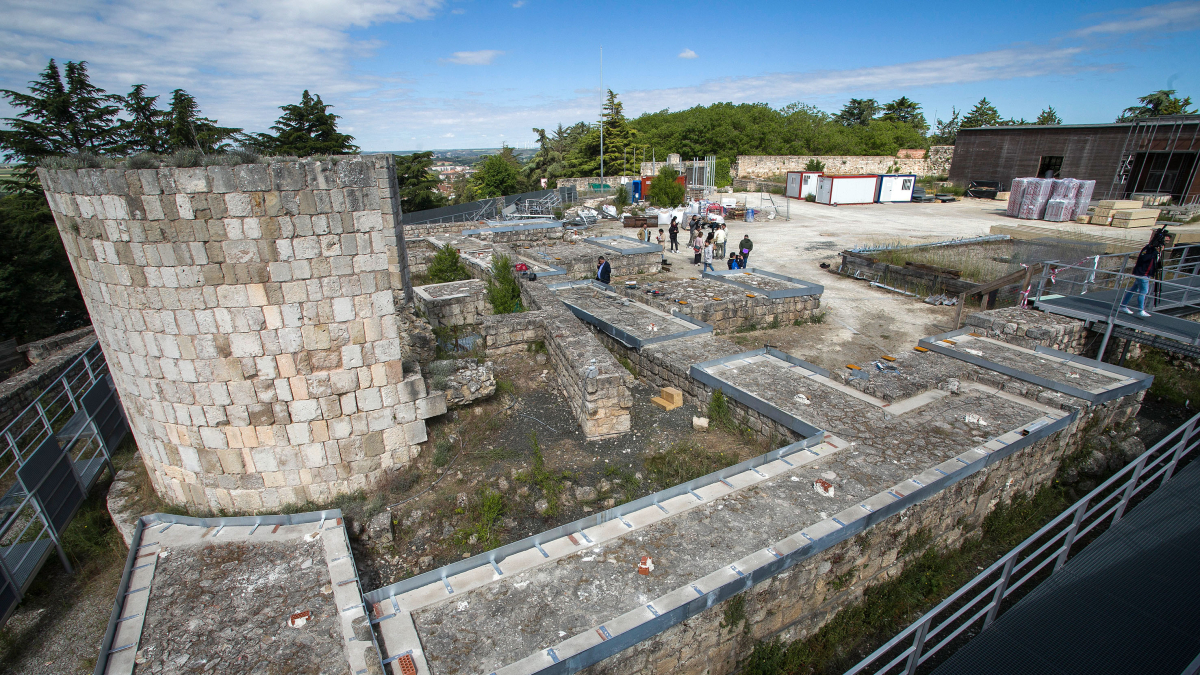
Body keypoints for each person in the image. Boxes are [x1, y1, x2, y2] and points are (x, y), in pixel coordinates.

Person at [1119, 234, 1166, 317]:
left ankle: (1123, 305)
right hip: (1142, 274)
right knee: (1144, 292)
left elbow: (1156, 262)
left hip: (1144, 273)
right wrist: (1155, 253)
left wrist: (1158, 253)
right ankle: (1140, 310)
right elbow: (1143, 258)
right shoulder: (1149, 249)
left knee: (1133, 290)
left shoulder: (1152, 250)